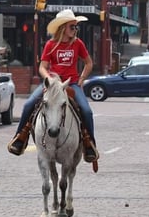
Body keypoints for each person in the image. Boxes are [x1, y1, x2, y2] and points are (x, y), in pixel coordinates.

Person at [7, 9, 99, 163]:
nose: (75, 30)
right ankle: (20, 138)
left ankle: (90, 145)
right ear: (63, 27)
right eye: (72, 26)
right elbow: (42, 67)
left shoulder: (78, 44)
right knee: (29, 104)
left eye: (76, 27)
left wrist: (82, 79)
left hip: (71, 84)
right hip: (52, 84)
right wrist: (49, 79)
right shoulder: (50, 45)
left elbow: (89, 63)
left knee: (86, 111)